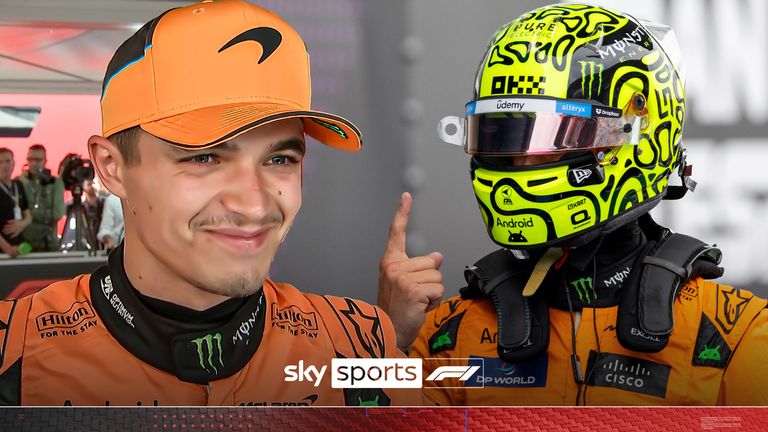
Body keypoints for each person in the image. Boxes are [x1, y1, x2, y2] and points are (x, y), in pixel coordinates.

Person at [0, 0, 419, 406]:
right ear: (111, 167)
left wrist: (392, 346)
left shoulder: (359, 338)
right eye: (204, 157)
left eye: (279, 159)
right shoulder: (13, 349)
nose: (254, 206)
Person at [378, 3, 768, 405]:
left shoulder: (734, 335)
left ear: (633, 135)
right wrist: (386, 336)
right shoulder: (448, 335)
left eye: (551, 138)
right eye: (503, 139)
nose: (520, 163)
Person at [17, 144, 66, 252]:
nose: (34, 163)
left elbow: (58, 213)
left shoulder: (55, 183)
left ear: (45, 161)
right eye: (30, 159)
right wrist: (26, 185)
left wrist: (29, 215)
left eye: (38, 160)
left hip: (48, 242)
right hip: (23, 242)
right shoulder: (19, 182)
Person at [0, 148, 32, 257]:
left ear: (13, 163)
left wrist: (21, 224)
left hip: (20, 247)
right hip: (4, 250)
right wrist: (7, 248)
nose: (5, 165)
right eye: (0, 162)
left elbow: (28, 215)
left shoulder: (18, 185)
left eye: (8, 161)